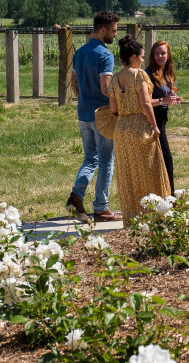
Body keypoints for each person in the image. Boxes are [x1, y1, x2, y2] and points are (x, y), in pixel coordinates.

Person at [65, 11, 123, 223]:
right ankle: (101, 207)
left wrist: (84, 100)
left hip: (83, 113)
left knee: (91, 158)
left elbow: (74, 83)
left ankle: (76, 196)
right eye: (114, 31)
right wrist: (122, 99)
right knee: (106, 161)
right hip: (102, 116)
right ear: (103, 30)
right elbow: (106, 87)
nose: (115, 35)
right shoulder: (105, 55)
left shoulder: (79, 52)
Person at [109, 35, 170, 223]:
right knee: (149, 170)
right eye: (142, 57)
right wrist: (154, 125)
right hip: (139, 128)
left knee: (128, 173)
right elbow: (145, 102)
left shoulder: (115, 78)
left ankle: (132, 215)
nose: (143, 60)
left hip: (121, 129)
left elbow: (114, 109)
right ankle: (153, 213)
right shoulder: (140, 75)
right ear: (134, 57)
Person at [145, 40, 181, 194]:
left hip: (162, 119)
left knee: (162, 160)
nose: (160, 56)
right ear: (152, 55)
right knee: (166, 159)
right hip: (153, 119)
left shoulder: (165, 73)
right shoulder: (149, 75)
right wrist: (162, 101)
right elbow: (143, 103)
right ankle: (170, 197)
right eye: (157, 53)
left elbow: (165, 94)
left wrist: (172, 97)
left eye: (163, 53)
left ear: (168, 55)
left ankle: (165, 194)